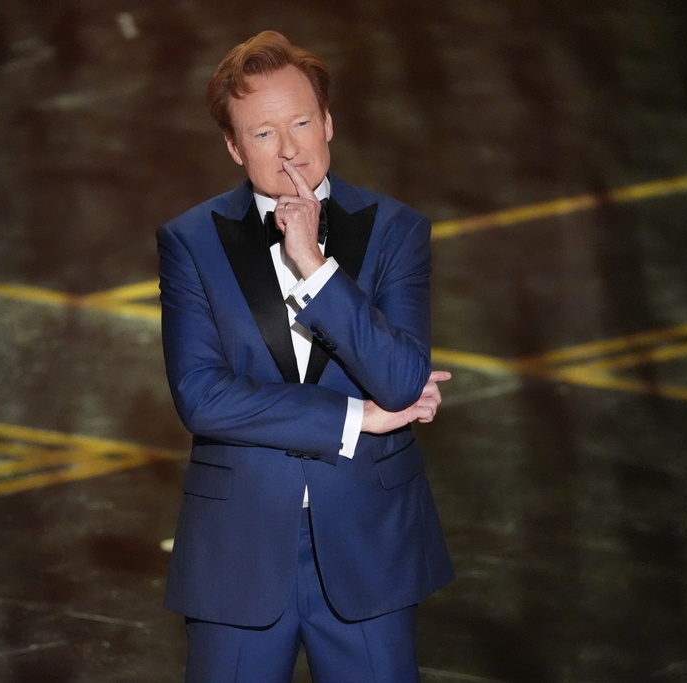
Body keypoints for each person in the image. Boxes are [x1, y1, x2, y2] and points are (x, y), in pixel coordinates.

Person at [157, 30, 454, 682]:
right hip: (237, 550)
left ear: (328, 122)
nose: (289, 147)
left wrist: (314, 269)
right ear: (234, 146)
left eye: (300, 122)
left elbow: (402, 382)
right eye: (263, 134)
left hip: (369, 547)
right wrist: (353, 419)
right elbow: (202, 396)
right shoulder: (190, 241)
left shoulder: (396, 229)